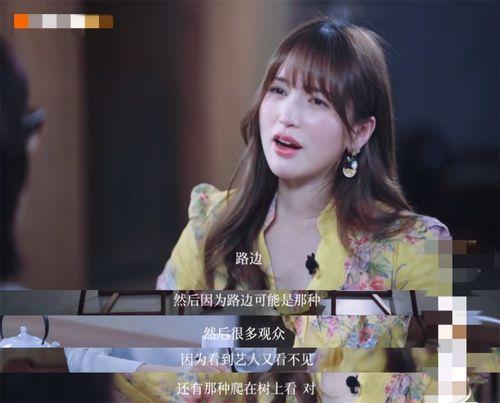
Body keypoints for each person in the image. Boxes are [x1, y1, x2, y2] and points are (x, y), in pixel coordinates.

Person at [153, 16, 456, 402]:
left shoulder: (413, 246)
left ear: (359, 132)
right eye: (278, 90)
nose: (287, 116)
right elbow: (153, 357)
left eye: (317, 101)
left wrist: (344, 387)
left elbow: (455, 385)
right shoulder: (213, 225)